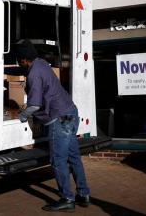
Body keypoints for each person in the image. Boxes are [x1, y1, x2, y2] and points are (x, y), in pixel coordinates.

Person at [15, 40, 91, 212]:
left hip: (59, 119)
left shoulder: (34, 74)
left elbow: (34, 105)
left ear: (24, 59)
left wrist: (22, 115)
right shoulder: (42, 63)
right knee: (73, 158)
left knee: (58, 160)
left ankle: (67, 199)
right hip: (71, 113)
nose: (20, 63)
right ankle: (84, 195)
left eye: (20, 60)